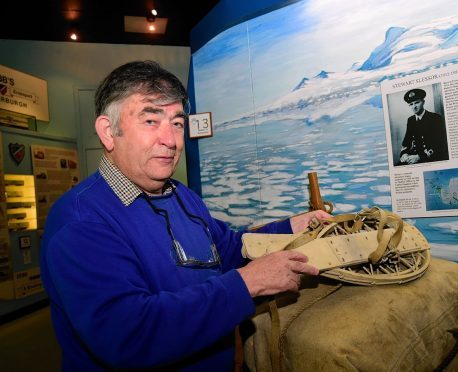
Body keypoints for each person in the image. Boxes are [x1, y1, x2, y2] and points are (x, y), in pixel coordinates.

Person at [40, 60, 330, 371]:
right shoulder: (80, 220)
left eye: (177, 123)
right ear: (109, 132)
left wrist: (290, 227)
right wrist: (245, 285)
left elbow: (228, 248)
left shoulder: (181, 195)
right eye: (151, 121)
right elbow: (130, 335)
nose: (171, 140)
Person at [397, 88, 449, 165]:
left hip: (431, 157)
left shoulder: (435, 118)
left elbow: (440, 143)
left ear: (423, 102)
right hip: (413, 156)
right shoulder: (411, 120)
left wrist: (419, 157)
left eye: (417, 103)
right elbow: (406, 142)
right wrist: (404, 154)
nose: (414, 106)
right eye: (411, 104)